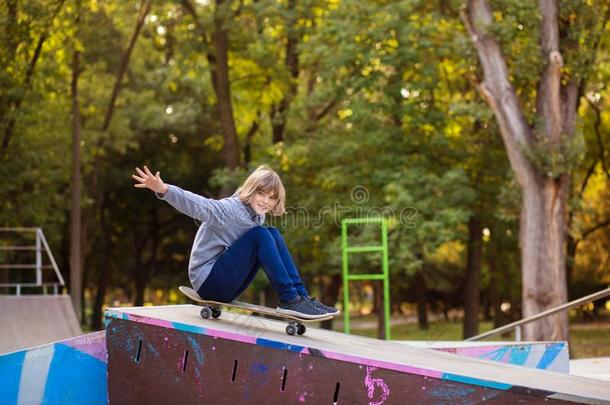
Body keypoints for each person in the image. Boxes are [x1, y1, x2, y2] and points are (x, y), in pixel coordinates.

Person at [132, 165, 338, 319]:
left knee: (271, 232)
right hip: (207, 281)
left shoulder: (258, 216)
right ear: (250, 190)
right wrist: (164, 189)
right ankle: (290, 299)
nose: (266, 201)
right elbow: (197, 205)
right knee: (262, 234)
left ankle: (300, 297)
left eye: (272, 197)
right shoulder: (229, 209)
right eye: (261, 193)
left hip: (226, 282)